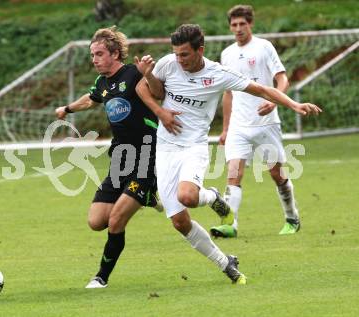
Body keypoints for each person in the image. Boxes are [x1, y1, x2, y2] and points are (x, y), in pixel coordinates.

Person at [136, 24, 321, 284]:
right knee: (179, 221)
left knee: (188, 196)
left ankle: (212, 196)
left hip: (193, 147)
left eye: (185, 55)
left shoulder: (218, 74)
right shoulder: (168, 63)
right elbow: (143, 89)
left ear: (200, 50)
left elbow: (262, 89)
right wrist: (161, 111)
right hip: (165, 148)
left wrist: (294, 104)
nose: (179, 60)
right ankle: (227, 264)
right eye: (176, 54)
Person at [55, 26, 161, 289]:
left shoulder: (134, 73)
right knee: (96, 221)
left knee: (116, 220)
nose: (94, 59)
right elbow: (91, 100)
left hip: (147, 156)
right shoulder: (102, 84)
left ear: (115, 53)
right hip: (120, 158)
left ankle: (101, 277)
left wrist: (149, 74)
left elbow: (158, 92)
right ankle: (147, 196)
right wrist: (67, 108)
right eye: (92, 54)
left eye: (99, 53)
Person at [210, 5, 301, 238]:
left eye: (242, 24)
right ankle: (230, 224)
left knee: (276, 175)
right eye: (234, 25)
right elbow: (228, 93)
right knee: (233, 173)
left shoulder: (264, 47)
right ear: (229, 27)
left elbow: (282, 79)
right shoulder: (227, 54)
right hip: (239, 126)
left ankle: (292, 217)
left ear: (250, 24)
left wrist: (274, 102)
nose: (238, 28)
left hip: (266, 123)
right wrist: (226, 128)